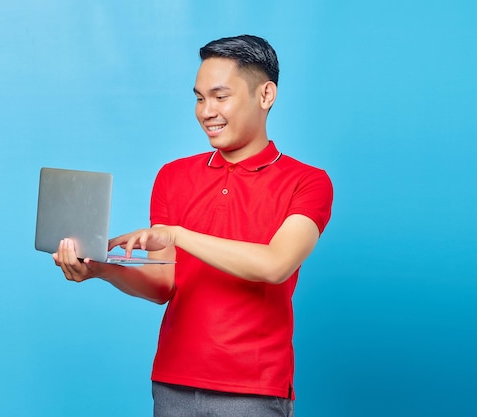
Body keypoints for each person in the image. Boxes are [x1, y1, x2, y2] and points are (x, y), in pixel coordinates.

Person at [53, 34, 333, 417]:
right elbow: (164, 285)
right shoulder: (173, 176)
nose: (206, 111)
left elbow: (275, 264)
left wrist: (178, 234)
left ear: (265, 96)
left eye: (221, 96)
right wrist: (100, 269)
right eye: (200, 98)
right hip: (173, 382)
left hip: (252, 387)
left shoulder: (308, 181)